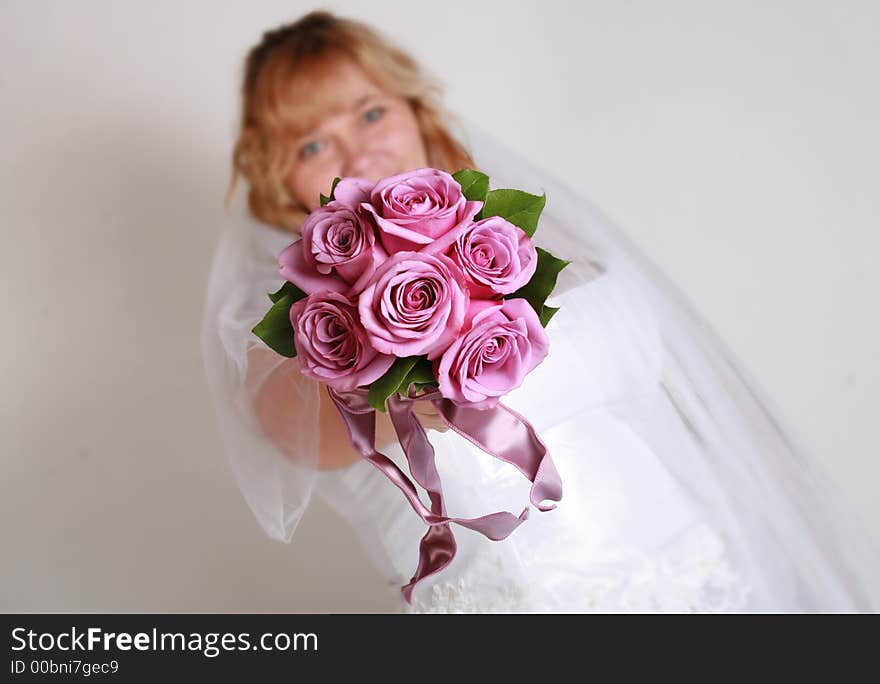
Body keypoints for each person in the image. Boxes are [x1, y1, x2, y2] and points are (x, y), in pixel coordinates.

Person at [202, 11, 880, 612]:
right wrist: (405, 393)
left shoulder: (522, 238)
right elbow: (296, 437)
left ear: (413, 109)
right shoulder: (298, 313)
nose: (357, 153)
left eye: (370, 112)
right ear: (276, 173)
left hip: (700, 566)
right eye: (311, 144)